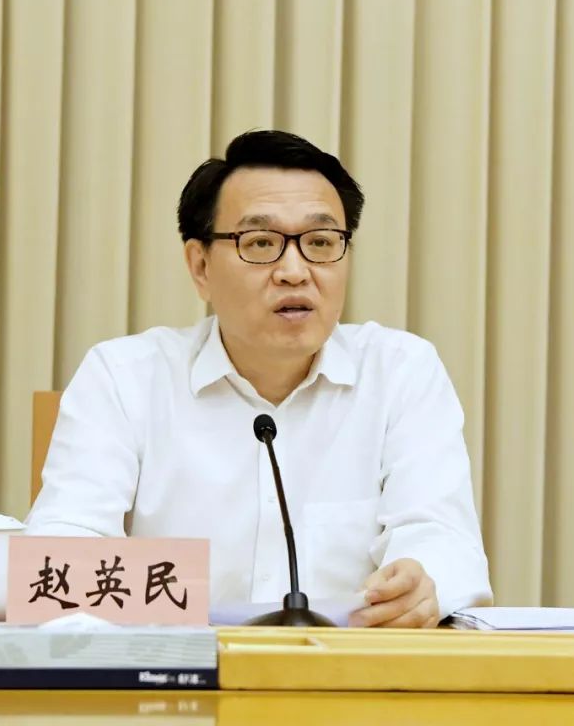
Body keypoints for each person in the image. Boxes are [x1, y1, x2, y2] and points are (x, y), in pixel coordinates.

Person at [26, 130, 492, 628]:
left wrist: (421, 583)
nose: (295, 271)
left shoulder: (400, 372)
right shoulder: (124, 378)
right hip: (177, 669)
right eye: (261, 243)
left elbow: (444, 537)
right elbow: (61, 553)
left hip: (349, 668)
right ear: (200, 266)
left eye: (320, 243)